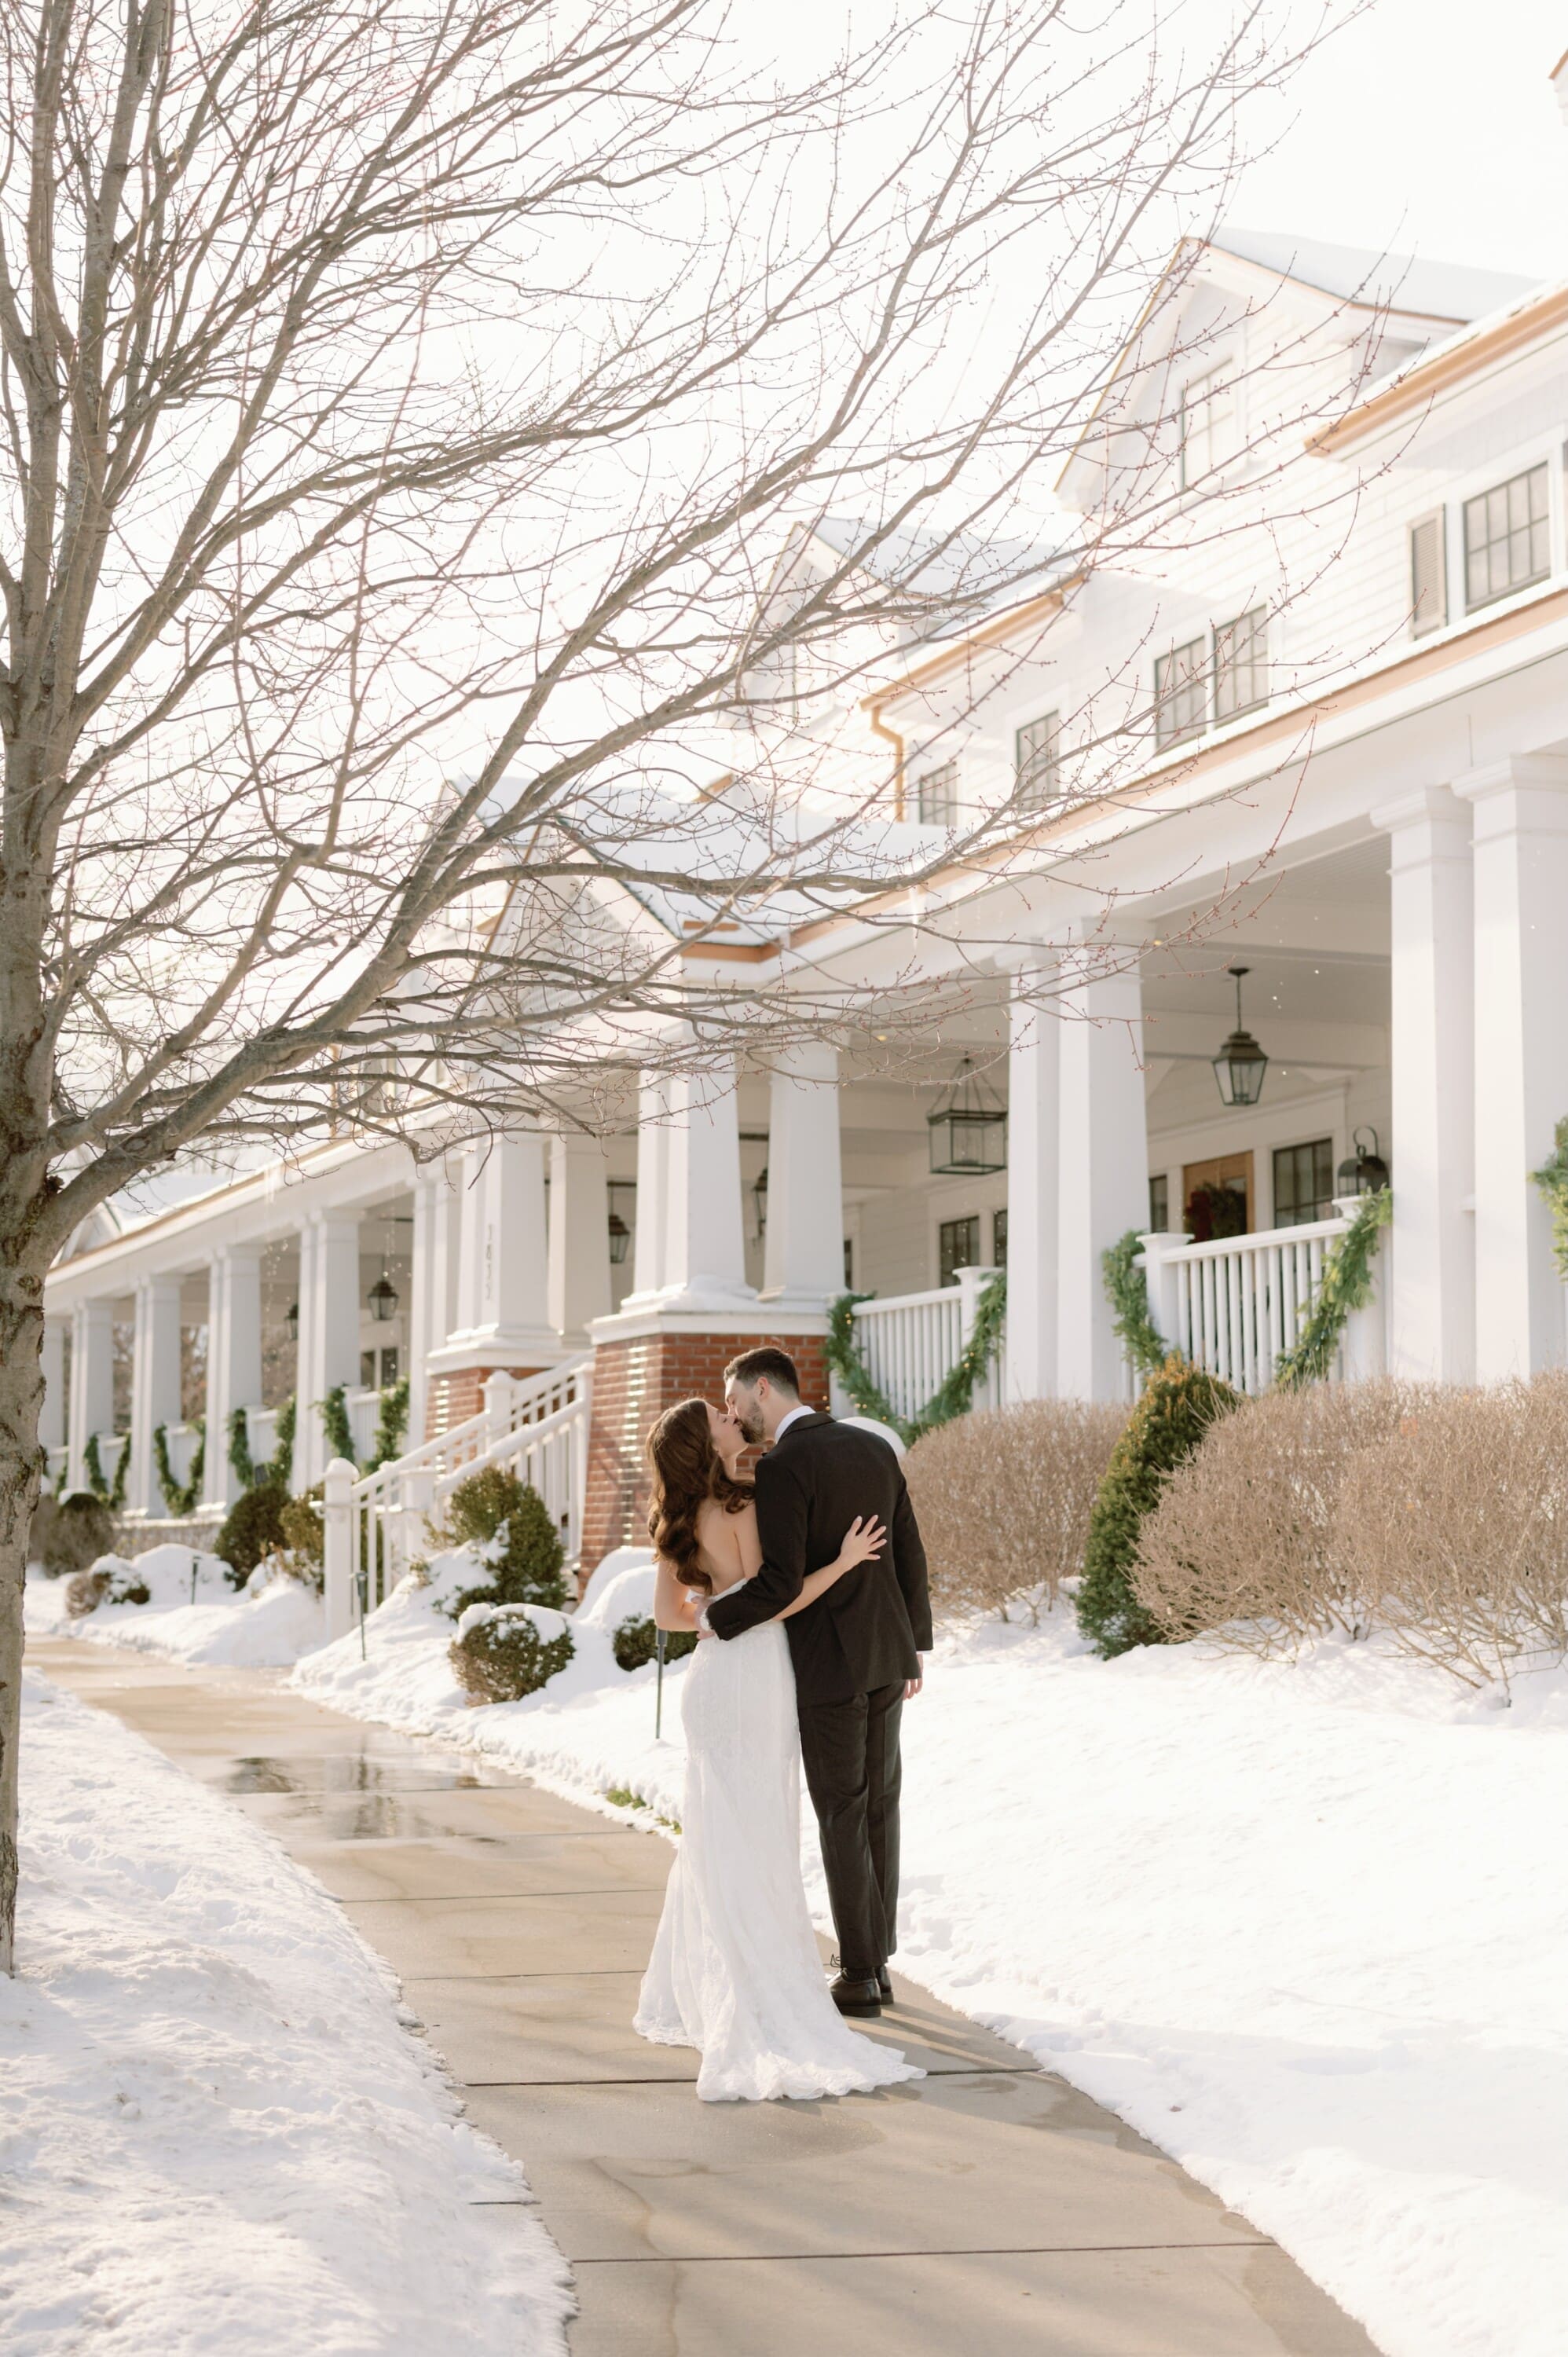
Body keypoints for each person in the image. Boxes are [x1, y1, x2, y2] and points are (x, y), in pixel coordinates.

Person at [633, 1394, 921, 2102]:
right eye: (720, 1419)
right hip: (757, 1674)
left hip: (711, 1682)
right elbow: (781, 1595)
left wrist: (710, 1613)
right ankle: (758, 1984)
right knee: (760, 1833)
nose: (733, 1417)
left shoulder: (681, 1516)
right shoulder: (742, 1505)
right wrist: (847, 1561)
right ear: (707, 1443)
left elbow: (672, 1616)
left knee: (717, 1834)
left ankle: (713, 1981)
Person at [701, 1346, 931, 2022]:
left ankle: (859, 1974)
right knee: (880, 1806)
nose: (734, 1409)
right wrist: (914, 1646)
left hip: (830, 1664)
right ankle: (877, 1962)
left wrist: (719, 1617)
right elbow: (910, 1551)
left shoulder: (783, 1466)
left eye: (735, 1396)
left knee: (842, 1811)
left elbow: (778, 1583)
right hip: (887, 1655)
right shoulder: (872, 1447)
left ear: (762, 1389)